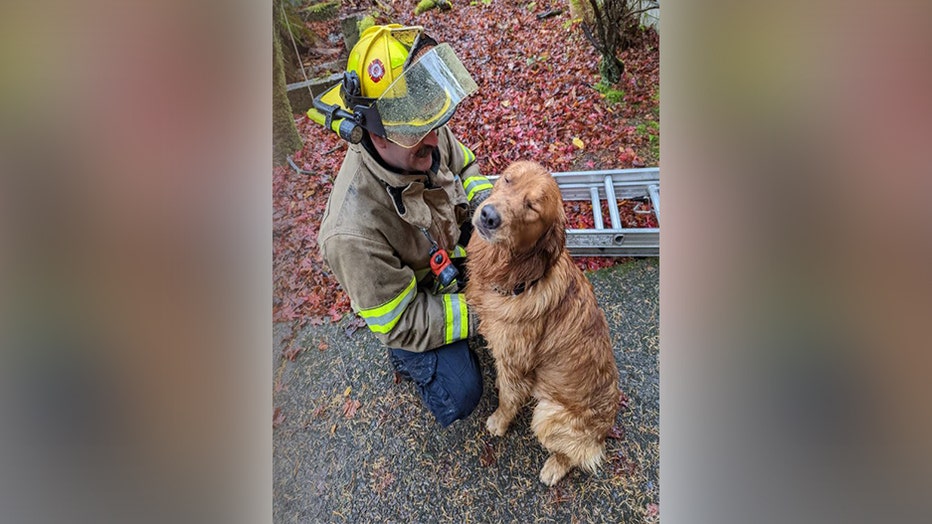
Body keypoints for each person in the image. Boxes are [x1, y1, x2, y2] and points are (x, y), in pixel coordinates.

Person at [315, 25, 493, 427]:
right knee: (461, 389)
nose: (433, 137)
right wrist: (486, 309)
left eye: (430, 120)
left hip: (447, 262)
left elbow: (464, 164)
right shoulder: (352, 233)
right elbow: (400, 319)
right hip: (412, 305)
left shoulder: (417, 127)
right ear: (372, 133)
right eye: (415, 131)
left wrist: (486, 209)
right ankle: (411, 361)